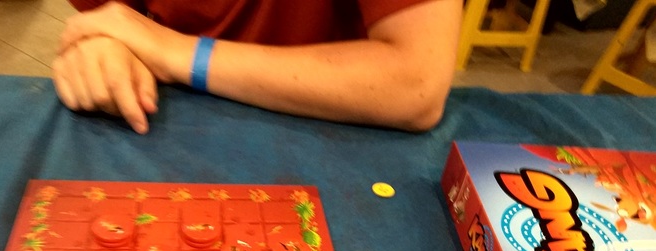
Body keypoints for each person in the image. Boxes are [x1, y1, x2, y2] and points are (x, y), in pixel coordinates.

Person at [53, 0, 461, 134]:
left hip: (337, 133)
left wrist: (177, 52)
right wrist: (106, 47)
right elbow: (115, 21)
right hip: (173, 122)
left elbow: (416, 84)